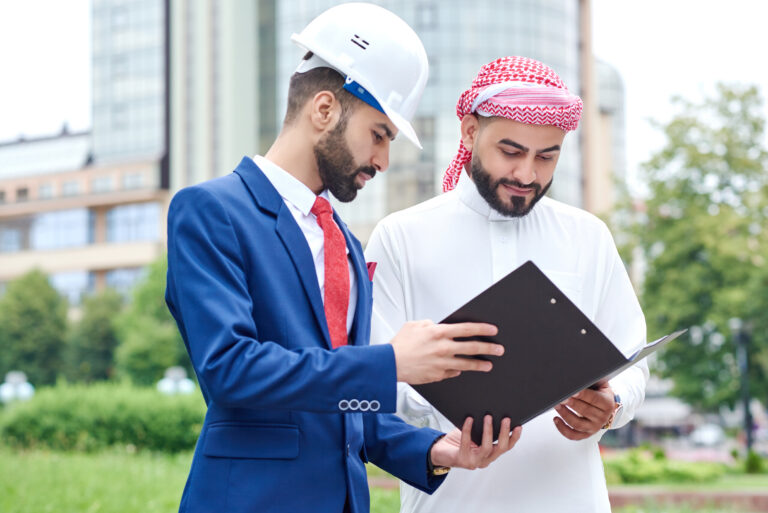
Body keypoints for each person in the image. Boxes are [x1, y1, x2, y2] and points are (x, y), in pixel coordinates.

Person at [164, 5, 522, 513]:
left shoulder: (348, 245)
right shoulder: (211, 211)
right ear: (325, 110)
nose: (383, 160)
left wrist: (433, 449)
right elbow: (231, 369)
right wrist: (391, 362)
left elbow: (346, 407)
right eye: (379, 134)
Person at [366, 56, 649, 513]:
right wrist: (436, 397)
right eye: (511, 152)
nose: (526, 175)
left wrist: (613, 403)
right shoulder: (401, 237)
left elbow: (632, 360)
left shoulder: (587, 236)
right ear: (470, 132)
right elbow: (373, 376)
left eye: (546, 157)